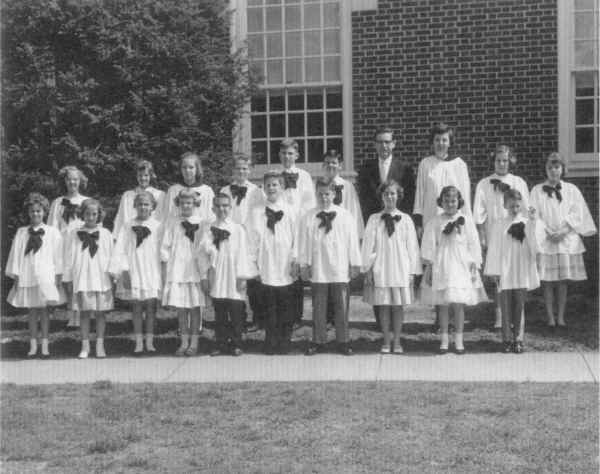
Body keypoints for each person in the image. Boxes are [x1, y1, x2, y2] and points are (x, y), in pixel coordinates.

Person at [529, 152, 597, 328]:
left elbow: (577, 212)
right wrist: (547, 231)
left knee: (562, 281)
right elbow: (533, 214)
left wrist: (564, 230)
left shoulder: (571, 190)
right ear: (545, 169)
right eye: (550, 167)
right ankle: (550, 317)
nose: (553, 171)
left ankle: (561, 316)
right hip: (547, 240)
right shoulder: (537, 190)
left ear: (563, 169)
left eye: (557, 167)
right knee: (548, 280)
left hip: (565, 239)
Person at [420, 186, 487, 354]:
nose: (450, 204)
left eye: (453, 201)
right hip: (442, 265)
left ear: (459, 202)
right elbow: (429, 245)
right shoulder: (435, 222)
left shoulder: (466, 220)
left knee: (459, 303)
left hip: (461, 265)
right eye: (447, 201)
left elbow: (473, 243)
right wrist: (429, 266)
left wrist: (474, 263)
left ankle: (458, 340)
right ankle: (444, 339)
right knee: (442, 304)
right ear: (441, 202)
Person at [299, 178, 362, 356]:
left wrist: (354, 263)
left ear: (334, 194)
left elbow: (352, 241)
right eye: (320, 194)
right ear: (316, 194)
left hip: (340, 267)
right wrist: (304, 264)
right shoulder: (309, 216)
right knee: (318, 306)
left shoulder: (345, 216)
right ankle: (319, 340)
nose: (324, 198)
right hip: (319, 267)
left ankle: (343, 340)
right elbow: (304, 243)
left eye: (327, 194)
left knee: (341, 305)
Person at [361, 180, 421, 354]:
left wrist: (412, 272)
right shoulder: (374, 219)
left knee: (398, 306)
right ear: (382, 196)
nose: (389, 197)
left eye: (393, 193)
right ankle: (386, 340)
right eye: (386, 193)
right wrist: (368, 269)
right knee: (384, 306)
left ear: (398, 196)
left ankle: (397, 340)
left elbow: (412, 247)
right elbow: (368, 246)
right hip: (382, 267)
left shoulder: (406, 219)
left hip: (400, 267)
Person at [473, 145, 530, 328]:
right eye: (498, 160)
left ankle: (516, 316)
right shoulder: (484, 184)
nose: (502, 163)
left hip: (515, 235)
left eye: (505, 160)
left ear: (510, 161)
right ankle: (499, 316)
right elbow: (479, 214)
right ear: (493, 162)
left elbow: (526, 210)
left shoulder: (518, 182)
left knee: (515, 275)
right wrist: (482, 237)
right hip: (495, 235)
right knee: (499, 276)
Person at [5, 193, 65, 357]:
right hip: (28, 276)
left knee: (45, 311)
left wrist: (58, 276)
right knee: (32, 311)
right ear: (28, 213)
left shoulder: (52, 232)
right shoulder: (22, 232)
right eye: (32, 211)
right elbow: (15, 254)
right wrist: (16, 275)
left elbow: (58, 256)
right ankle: (33, 344)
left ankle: (45, 344)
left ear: (44, 212)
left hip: (46, 277)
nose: (35, 214)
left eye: (38, 211)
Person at [199, 193, 256, 357]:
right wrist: (204, 276)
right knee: (220, 313)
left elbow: (244, 253)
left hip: (234, 274)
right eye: (218, 206)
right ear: (213, 208)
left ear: (230, 208)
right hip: (217, 275)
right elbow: (202, 255)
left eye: (225, 206)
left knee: (237, 312)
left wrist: (242, 276)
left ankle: (237, 343)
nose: (221, 209)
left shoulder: (238, 229)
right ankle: (220, 343)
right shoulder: (208, 229)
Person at [247, 171, 298, 355]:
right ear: (263, 188)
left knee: (285, 305)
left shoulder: (291, 211)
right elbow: (251, 241)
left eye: (275, 184)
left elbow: (297, 238)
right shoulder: (256, 212)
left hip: (285, 263)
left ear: (282, 187)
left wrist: (295, 259)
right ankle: (271, 339)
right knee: (268, 306)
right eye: (267, 185)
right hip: (266, 263)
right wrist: (253, 265)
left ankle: (285, 340)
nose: (271, 188)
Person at [484, 189, 540, 353]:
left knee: (520, 305)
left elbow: (534, 244)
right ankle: (507, 339)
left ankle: (519, 339)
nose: (514, 209)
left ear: (521, 205)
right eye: (511, 206)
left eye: (517, 206)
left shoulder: (527, 222)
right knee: (505, 305)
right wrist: (494, 271)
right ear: (505, 205)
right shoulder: (499, 224)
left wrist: (533, 222)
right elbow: (494, 248)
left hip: (520, 267)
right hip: (505, 269)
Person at [110, 191, 163, 354]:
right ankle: (139, 341)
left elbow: (163, 250)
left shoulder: (158, 226)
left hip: (152, 269)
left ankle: (150, 340)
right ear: (134, 206)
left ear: (152, 207)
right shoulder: (127, 225)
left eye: (146, 204)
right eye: (140, 204)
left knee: (151, 307)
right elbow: (121, 249)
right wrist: (124, 270)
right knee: (137, 307)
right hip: (134, 268)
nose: (143, 207)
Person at [62, 199, 114, 358]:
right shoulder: (74, 234)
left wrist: (113, 275)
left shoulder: (105, 234)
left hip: (101, 278)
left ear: (99, 215)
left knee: (100, 313)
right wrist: (68, 277)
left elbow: (112, 256)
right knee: (84, 313)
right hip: (83, 277)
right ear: (82, 214)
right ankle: (85, 346)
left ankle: (100, 345)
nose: (90, 217)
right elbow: (69, 257)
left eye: (94, 214)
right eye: (87, 214)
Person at [220, 155, 265, 331]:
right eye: (238, 168)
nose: (241, 172)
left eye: (245, 168)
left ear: (250, 170)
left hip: (249, 239)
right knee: (233, 279)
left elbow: (261, 215)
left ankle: (257, 318)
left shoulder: (256, 191)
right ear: (233, 170)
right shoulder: (225, 190)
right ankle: (238, 317)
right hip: (230, 239)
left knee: (252, 281)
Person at [161, 188, 207, 356]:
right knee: (181, 309)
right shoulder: (172, 222)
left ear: (195, 204)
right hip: (178, 270)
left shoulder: (202, 223)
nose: (186, 206)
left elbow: (204, 248)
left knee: (195, 308)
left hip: (194, 269)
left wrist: (204, 272)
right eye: (183, 203)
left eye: (189, 203)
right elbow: (165, 247)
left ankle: (194, 343)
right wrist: (166, 268)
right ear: (178, 204)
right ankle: (184, 342)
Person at [278, 139, 316, 325]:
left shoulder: (305, 176)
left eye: (290, 153)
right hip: (281, 228)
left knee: (297, 269)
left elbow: (309, 203)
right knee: (282, 268)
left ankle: (297, 315)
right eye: (284, 153)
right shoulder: (275, 176)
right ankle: (282, 313)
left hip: (299, 228)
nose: (287, 157)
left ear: (297, 155)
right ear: (280, 155)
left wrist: (303, 225)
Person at [48, 165, 90, 327]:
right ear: (65, 181)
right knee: (67, 280)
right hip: (63, 246)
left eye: (75, 179)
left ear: (80, 181)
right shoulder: (58, 203)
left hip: (81, 244)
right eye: (69, 179)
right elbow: (52, 227)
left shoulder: (85, 201)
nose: (72, 182)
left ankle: (79, 314)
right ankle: (71, 314)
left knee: (79, 278)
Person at [413, 123, 471, 238]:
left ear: (450, 143)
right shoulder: (425, 164)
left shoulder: (459, 165)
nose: (440, 143)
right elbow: (419, 195)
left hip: (454, 221)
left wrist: (467, 222)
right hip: (431, 218)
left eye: (444, 140)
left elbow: (465, 197)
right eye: (437, 140)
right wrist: (418, 223)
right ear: (432, 142)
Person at [358, 127, 416, 219]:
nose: (383, 146)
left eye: (387, 142)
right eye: (380, 142)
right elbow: (363, 199)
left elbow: (410, 198)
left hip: (398, 219)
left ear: (394, 144)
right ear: (375, 145)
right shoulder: (365, 169)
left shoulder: (405, 169)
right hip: (374, 220)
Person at [112, 160, 164, 240]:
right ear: (136, 176)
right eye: (140, 175)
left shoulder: (159, 195)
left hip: (151, 236)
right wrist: (116, 238)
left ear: (150, 176)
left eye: (146, 175)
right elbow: (120, 217)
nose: (143, 178)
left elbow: (161, 218)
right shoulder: (127, 195)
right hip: (130, 236)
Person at [162, 152, 215, 224]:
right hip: (176, 231)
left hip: (200, 231)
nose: (187, 170)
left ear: (197, 169)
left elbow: (211, 217)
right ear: (180, 169)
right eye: (184, 167)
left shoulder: (207, 191)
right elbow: (167, 215)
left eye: (191, 167)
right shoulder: (173, 190)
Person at [322, 149, 365, 239]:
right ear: (323, 165)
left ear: (340, 166)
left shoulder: (347, 186)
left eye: (334, 163)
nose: (330, 165)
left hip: (342, 231)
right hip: (322, 229)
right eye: (327, 162)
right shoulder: (318, 186)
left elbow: (354, 211)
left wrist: (357, 236)